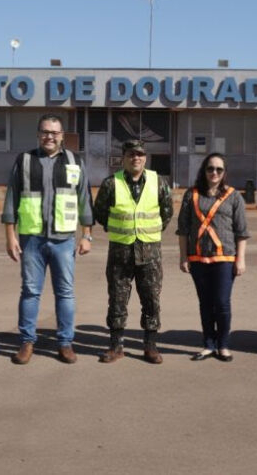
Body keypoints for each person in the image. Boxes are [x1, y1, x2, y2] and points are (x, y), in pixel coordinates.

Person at [3, 114, 93, 365]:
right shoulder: (24, 160)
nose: (49, 136)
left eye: (54, 132)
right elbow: (12, 198)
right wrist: (10, 236)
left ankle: (65, 343)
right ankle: (27, 342)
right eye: (45, 132)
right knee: (30, 291)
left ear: (62, 136)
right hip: (31, 239)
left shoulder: (75, 162)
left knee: (65, 292)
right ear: (38, 134)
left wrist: (87, 235)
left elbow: (85, 199)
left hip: (64, 240)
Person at [93, 139, 173, 364]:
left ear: (145, 158)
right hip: (120, 252)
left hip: (150, 254)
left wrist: (150, 232)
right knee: (117, 300)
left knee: (151, 300)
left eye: (139, 154)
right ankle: (116, 346)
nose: (135, 158)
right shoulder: (111, 183)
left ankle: (150, 346)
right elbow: (99, 212)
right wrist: (120, 227)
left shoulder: (158, 182)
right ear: (123, 158)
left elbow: (167, 212)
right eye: (130, 154)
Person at [177, 153, 248, 362]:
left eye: (219, 169)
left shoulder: (234, 196)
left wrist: (240, 259)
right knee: (205, 303)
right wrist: (184, 257)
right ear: (204, 170)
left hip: (225, 259)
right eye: (210, 168)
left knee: (222, 302)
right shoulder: (192, 194)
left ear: (224, 173)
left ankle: (223, 345)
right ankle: (208, 344)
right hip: (198, 258)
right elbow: (183, 230)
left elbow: (241, 231)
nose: (214, 173)